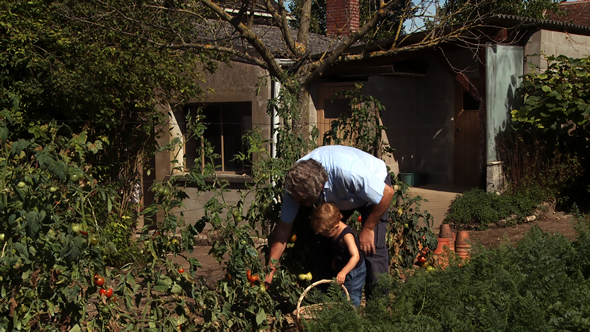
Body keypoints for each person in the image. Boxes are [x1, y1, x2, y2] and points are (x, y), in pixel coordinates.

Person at [265, 145, 394, 300]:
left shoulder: (348, 172)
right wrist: (270, 269)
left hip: (376, 191)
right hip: (341, 195)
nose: (301, 205)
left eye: (305, 202)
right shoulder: (295, 184)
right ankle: (325, 300)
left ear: (319, 187)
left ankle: (378, 308)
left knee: (371, 248)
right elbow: (284, 228)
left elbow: (387, 193)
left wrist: (368, 228)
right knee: (323, 237)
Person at [310, 203, 366, 307]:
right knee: (342, 293)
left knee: (351, 293)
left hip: (354, 271)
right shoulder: (334, 231)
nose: (323, 235)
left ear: (335, 226)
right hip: (345, 266)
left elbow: (355, 256)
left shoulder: (346, 236)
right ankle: (343, 311)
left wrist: (344, 272)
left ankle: (351, 314)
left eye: (325, 233)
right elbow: (338, 249)